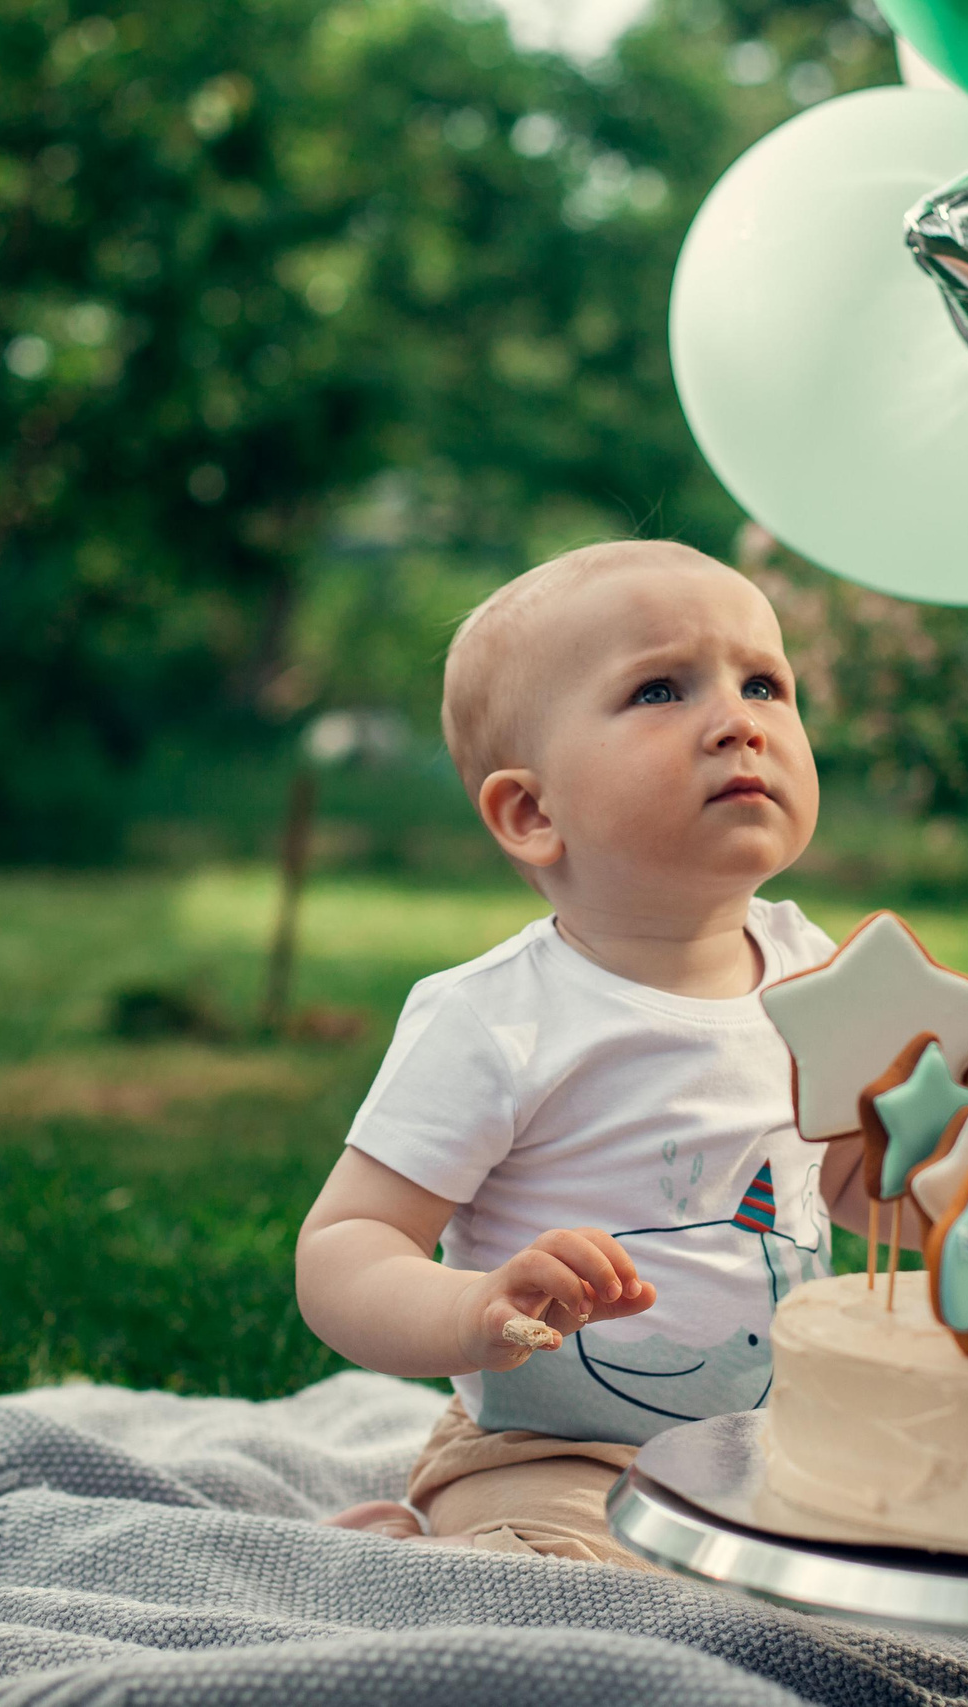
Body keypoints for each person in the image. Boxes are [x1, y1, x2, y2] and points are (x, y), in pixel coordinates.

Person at [294, 539, 871, 1566]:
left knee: (928, 1543)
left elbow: (855, 1185)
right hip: (554, 1452)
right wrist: (470, 1308)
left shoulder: (815, 972)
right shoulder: (497, 1020)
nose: (738, 720)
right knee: (554, 1588)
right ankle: (413, 1553)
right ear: (532, 812)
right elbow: (343, 1248)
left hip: (778, 1443)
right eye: (660, 689)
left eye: (763, 684)